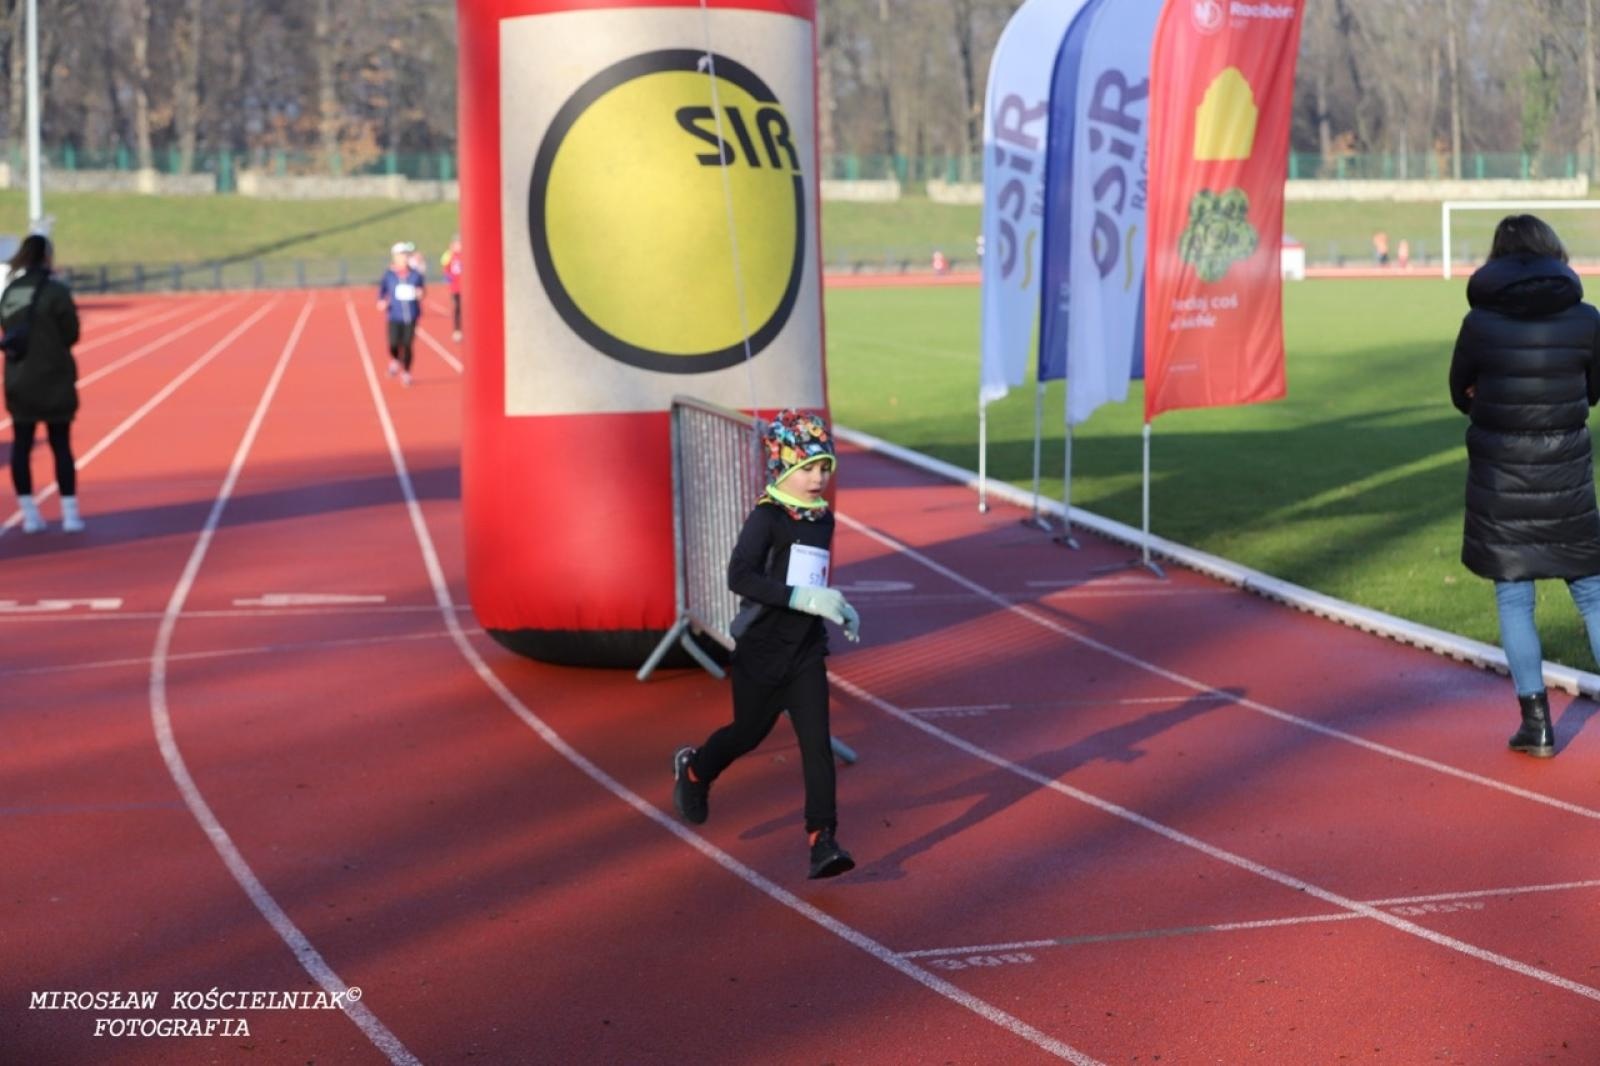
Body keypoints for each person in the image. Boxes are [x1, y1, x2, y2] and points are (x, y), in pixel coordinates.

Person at [672, 410, 862, 879]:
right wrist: (800, 596)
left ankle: (823, 840)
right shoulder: (767, 518)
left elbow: (812, 577)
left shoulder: (822, 519)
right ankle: (695, 769)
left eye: (824, 468)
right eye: (808, 468)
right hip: (761, 652)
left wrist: (835, 604)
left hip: (805, 653)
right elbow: (740, 576)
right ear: (784, 467)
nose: (818, 478)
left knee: (816, 745)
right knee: (748, 734)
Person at [1449, 213, 1600, 759]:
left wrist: (1490, 402)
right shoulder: (1586, 319)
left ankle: (1536, 726)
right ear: (1552, 251)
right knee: (1592, 595)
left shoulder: (1479, 323)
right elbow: (1593, 390)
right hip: (1565, 475)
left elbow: (1459, 393)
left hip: (1501, 479)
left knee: (1515, 600)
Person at [3, 234, 82, 534]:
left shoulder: (10, 292)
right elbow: (71, 334)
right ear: (48, 256)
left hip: (19, 377)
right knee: (60, 443)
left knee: (22, 445)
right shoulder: (57, 292)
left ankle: (29, 514)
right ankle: (70, 513)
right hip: (53, 377)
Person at [377, 241, 424, 386]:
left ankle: (406, 372)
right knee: (393, 343)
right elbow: (382, 291)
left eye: (405, 255)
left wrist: (419, 294)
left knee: (408, 344)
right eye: (400, 255)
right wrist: (381, 301)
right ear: (395, 257)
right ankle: (396, 359)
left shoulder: (416, 275)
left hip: (411, 315)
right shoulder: (389, 275)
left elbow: (422, 290)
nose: (403, 258)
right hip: (394, 315)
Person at [441, 234, 463, 342]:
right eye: (456, 244)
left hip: (465, 288)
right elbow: (445, 269)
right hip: (455, 288)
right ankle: (457, 330)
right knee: (457, 308)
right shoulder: (449, 255)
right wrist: (450, 279)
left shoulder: (465, 255)